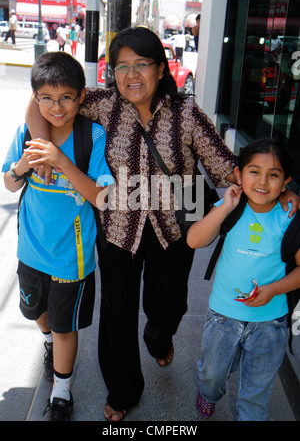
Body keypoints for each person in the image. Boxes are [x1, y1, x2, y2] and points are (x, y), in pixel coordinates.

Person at [25, 27, 298, 422]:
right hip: (118, 229)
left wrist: (281, 189)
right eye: (122, 67)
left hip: (174, 231)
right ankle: (123, 390)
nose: (132, 76)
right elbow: (40, 102)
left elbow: (224, 165)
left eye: (142, 65)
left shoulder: (185, 112)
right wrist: (41, 147)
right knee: (117, 315)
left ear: (161, 68)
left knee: (166, 308)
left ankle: (160, 336)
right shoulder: (101, 104)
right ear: (112, 72)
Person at [2, 51, 112, 421]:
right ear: (35, 98)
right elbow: (9, 182)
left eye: (66, 96)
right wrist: (23, 165)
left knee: (65, 327)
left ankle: (62, 392)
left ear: (81, 97)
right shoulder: (26, 134)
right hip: (31, 249)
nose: (56, 106)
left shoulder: (92, 136)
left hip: (72, 257)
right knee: (35, 311)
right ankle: (47, 341)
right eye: (46, 98)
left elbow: (101, 196)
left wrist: (62, 161)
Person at [187, 138, 300, 421]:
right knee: (211, 374)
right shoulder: (230, 207)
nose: (263, 182)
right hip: (223, 316)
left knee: (256, 393)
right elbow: (194, 240)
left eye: (273, 175)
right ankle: (209, 394)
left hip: (271, 322)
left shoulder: (290, 218)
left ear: (286, 181)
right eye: (254, 171)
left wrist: (274, 290)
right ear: (238, 174)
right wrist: (224, 207)